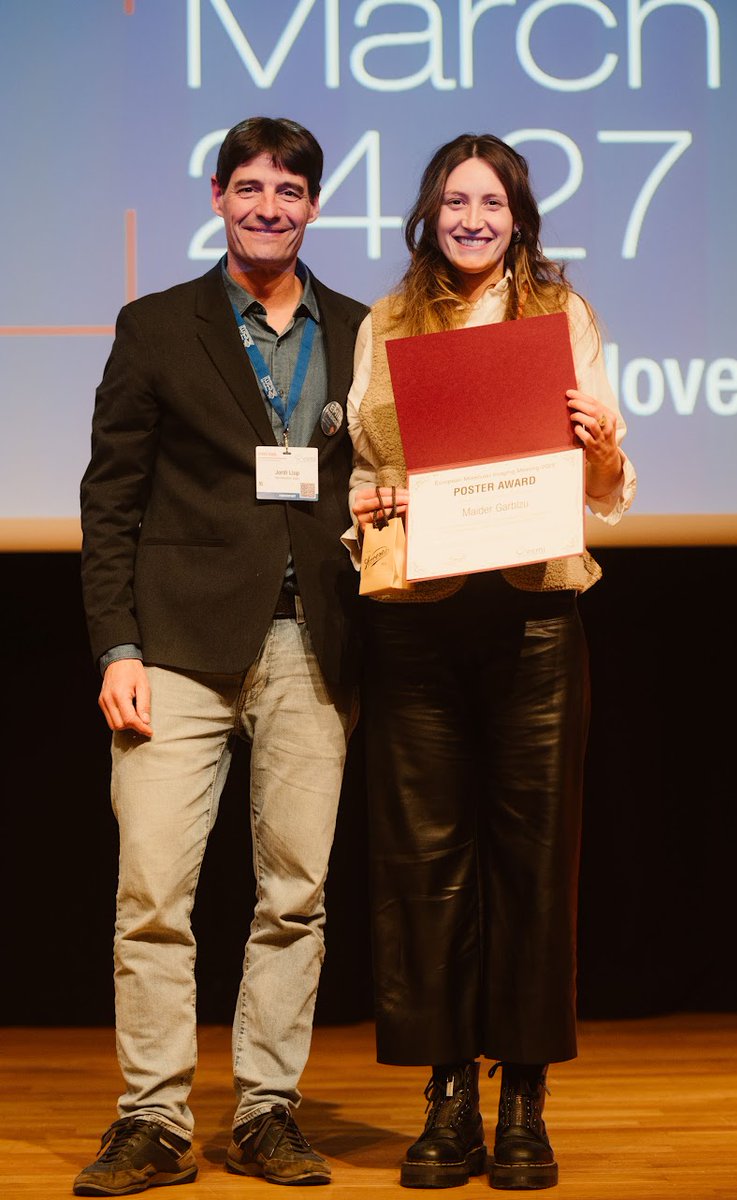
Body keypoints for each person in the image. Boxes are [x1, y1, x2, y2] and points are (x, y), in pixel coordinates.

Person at [75, 116, 368, 1195]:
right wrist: (116, 644)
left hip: (315, 645)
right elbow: (108, 504)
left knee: (295, 895)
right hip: (177, 650)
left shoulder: (360, 327)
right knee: (153, 894)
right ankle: (151, 1120)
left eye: (289, 191)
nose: (268, 206)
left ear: (313, 207)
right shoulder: (157, 327)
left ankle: (265, 1112)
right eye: (248, 186)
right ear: (216, 196)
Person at [346, 133, 637, 1191]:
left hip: (533, 617)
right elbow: (364, 475)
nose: (473, 218)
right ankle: (446, 1096)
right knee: (423, 869)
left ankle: (522, 1100)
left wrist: (600, 441)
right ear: (430, 213)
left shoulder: (564, 317)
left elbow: (603, 483)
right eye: (455, 201)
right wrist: (372, 501)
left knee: (532, 865)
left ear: (519, 215)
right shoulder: (386, 321)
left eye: (492, 202)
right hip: (419, 616)